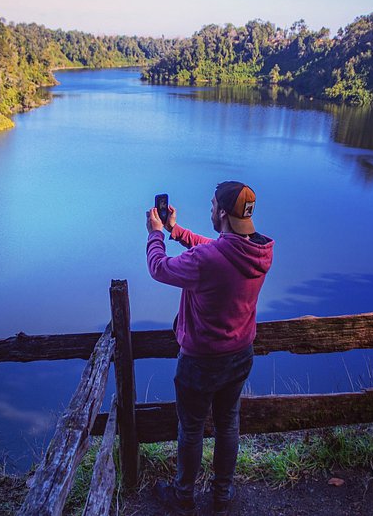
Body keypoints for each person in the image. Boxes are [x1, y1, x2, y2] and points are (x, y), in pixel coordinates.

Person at [145, 181, 274, 516]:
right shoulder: (259, 252)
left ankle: (183, 497)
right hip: (240, 355)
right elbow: (219, 249)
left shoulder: (207, 261)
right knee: (228, 424)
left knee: (191, 429)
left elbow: (159, 268)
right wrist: (176, 231)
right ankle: (222, 496)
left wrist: (156, 234)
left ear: (223, 213)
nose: (211, 209)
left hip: (201, 361)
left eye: (213, 205)